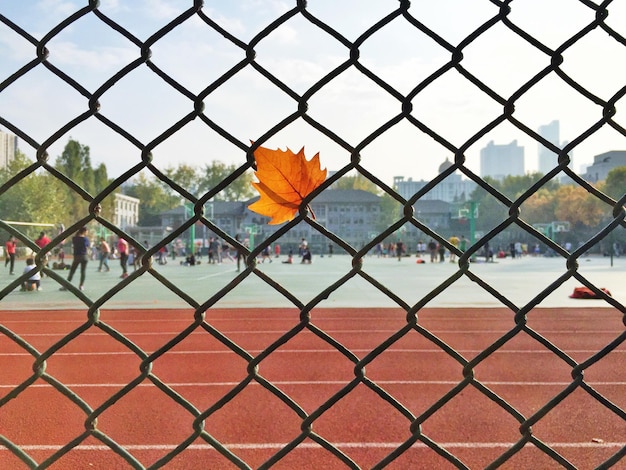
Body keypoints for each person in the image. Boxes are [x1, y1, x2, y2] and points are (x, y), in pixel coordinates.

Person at [60, 226, 90, 291]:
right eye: (87, 231)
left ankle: (66, 286)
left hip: (77, 257)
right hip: (84, 256)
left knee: (72, 271)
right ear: (84, 231)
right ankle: (81, 285)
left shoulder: (74, 238)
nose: (87, 232)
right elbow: (87, 247)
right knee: (83, 272)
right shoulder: (86, 239)